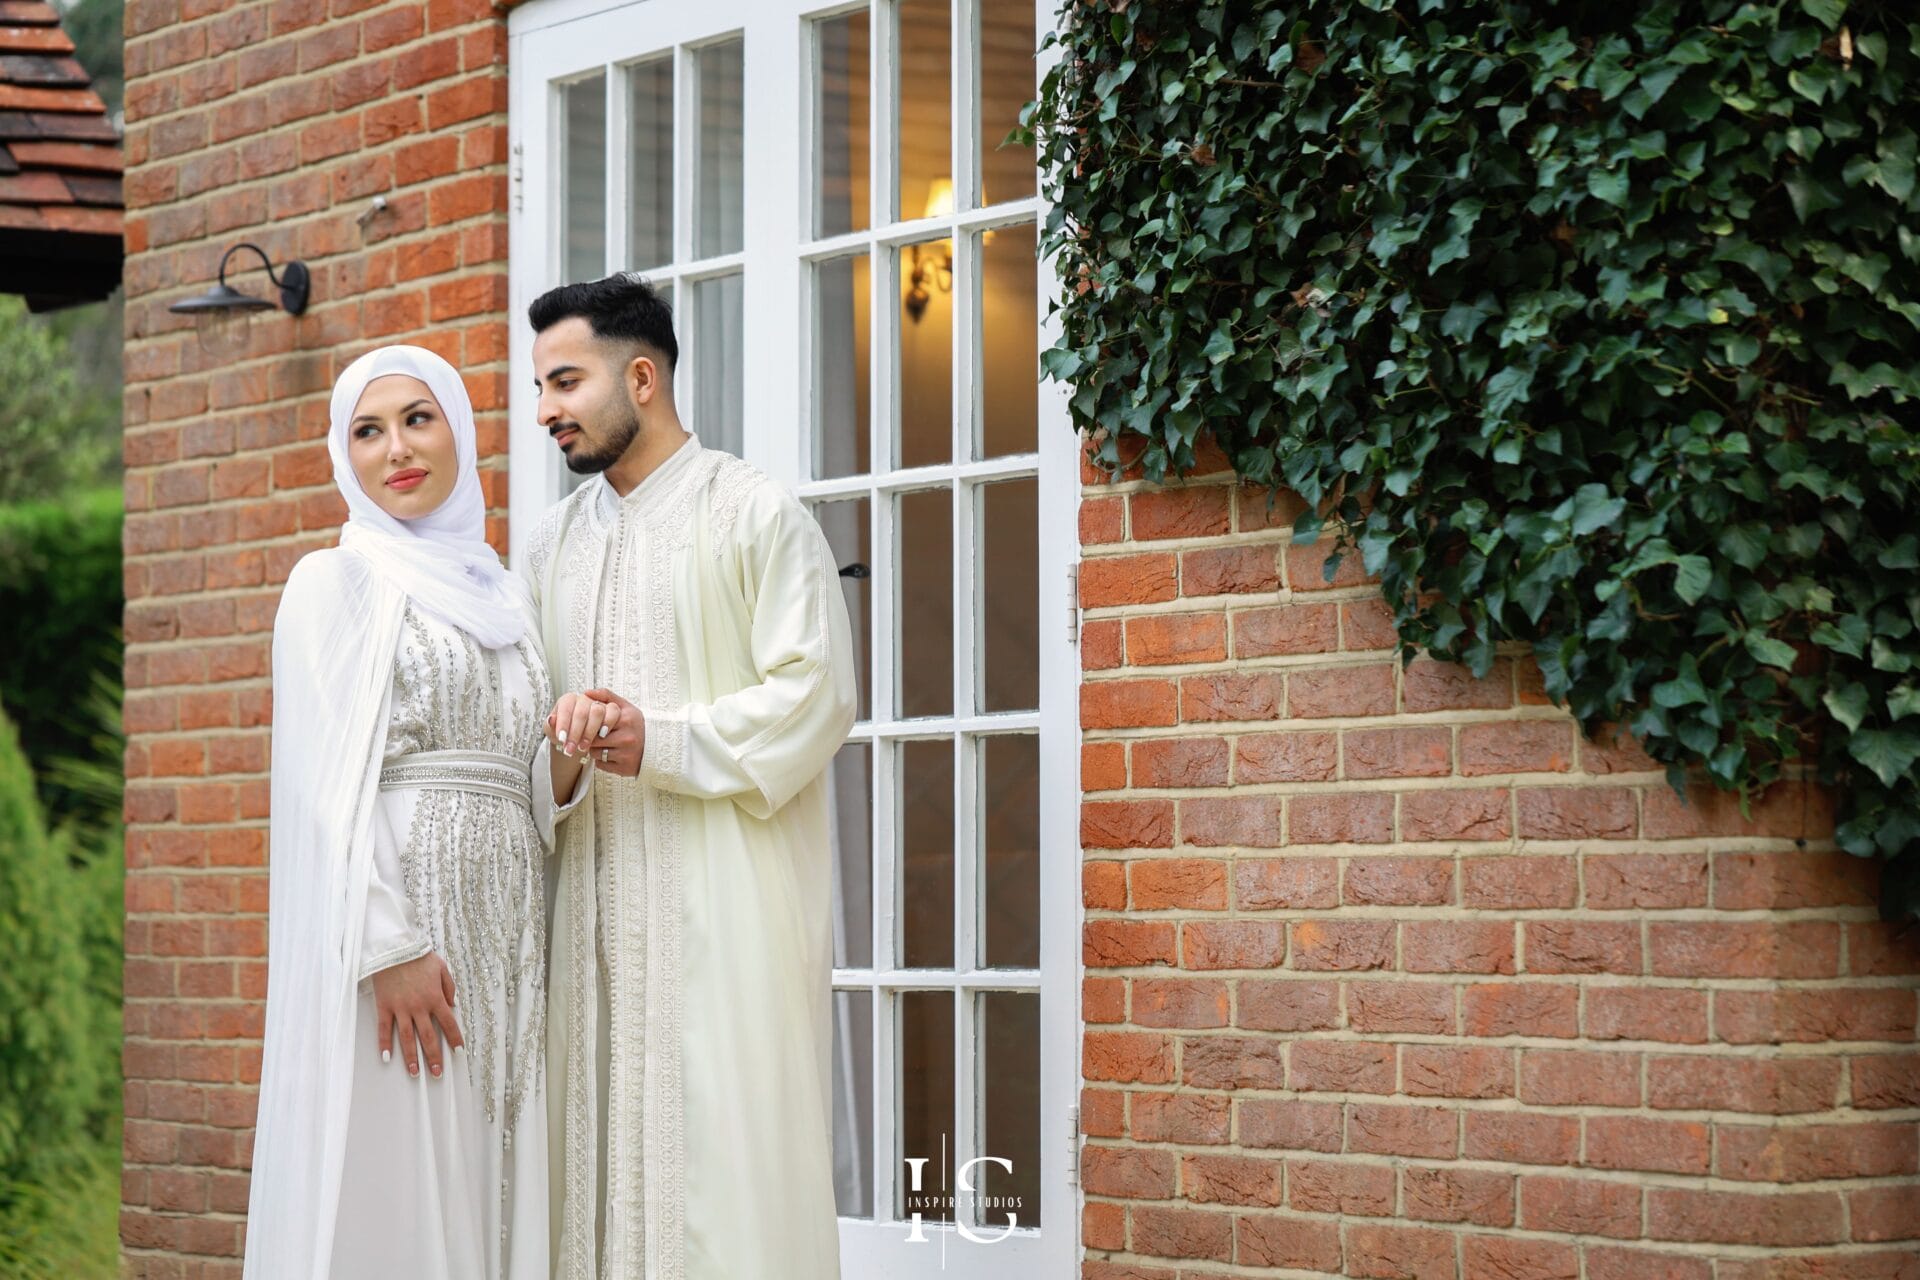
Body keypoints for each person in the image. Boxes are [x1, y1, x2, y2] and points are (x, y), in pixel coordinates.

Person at [523, 274, 857, 1278]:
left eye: (565, 381)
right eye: (540, 385)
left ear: (642, 376)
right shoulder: (547, 550)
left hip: (728, 920)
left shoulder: (755, 515)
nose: (545, 410)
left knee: (730, 1185)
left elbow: (817, 697)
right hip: (588, 926)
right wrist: (570, 755)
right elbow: (528, 744)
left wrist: (655, 742)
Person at [243, 345, 593, 1279]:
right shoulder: (336, 584)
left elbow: (529, 789)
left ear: (459, 432)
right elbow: (321, 789)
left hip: (511, 940)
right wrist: (385, 948)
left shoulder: (504, 598)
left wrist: (571, 748)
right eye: (368, 429)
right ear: (341, 454)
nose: (395, 448)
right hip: (402, 944)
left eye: (418, 418)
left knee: (497, 1164)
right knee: (403, 1169)